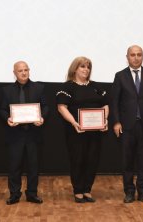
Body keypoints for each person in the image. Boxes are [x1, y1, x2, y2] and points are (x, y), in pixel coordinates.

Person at [111, 45, 143, 203]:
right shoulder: (120, 76)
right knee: (127, 161)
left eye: (139, 55)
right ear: (127, 57)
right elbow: (115, 102)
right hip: (126, 125)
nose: (136, 57)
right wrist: (117, 122)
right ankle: (129, 192)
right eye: (133, 55)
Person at [56, 57, 109, 203]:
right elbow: (61, 107)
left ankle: (87, 190)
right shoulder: (67, 87)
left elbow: (105, 105)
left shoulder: (96, 86)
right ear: (75, 69)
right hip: (76, 132)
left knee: (92, 160)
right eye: (82, 67)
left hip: (95, 132)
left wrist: (105, 119)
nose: (86, 69)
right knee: (78, 160)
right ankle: (78, 190)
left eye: (88, 67)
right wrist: (74, 123)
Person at [0, 61, 48, 205]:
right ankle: (14, 194)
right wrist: (7, 118)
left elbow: (45, 107)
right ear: (14, 73)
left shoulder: (39, 88)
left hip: (33, 133)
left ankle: (32, 193)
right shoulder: (6, 90)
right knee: (14, 166)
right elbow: (2, 110)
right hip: (15, 134)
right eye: (20, 70)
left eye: (26, 70)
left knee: (33, 166)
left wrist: (42, 117)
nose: (24, 73)